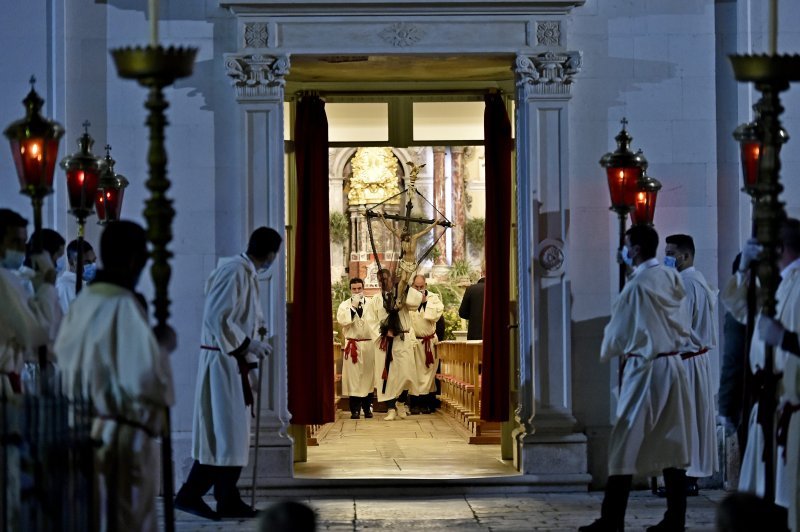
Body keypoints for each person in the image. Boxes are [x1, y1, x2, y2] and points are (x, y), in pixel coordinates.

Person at [54, 220, 175, 532]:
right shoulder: (123, 306)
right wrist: (162, 346)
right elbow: (147, 383)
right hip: (123, 438)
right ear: (136, 260)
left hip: (83, 432)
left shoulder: (83, 303)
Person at [580, 224, 693, 532]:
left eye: (626, 246)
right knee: (673, 442)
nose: (624, 251)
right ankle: (675, 519)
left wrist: (609, 349)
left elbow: (616, 334)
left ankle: (612, 519)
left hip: (645, 369)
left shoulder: (637, 286)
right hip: (673, 367)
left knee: (624, 441)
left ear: (636, 250)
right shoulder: (672, 277)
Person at [175, 226, 282, 520]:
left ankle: (227, 498)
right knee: (225, 434)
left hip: (232, 361)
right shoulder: (235, 271)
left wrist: (253, 347)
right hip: (222, 361)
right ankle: (191, 494)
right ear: (272, 253)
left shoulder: (244, 272)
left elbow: (243, 317)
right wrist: (248, 344)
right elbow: (215, 316)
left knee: (231, 435)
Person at [721, 219, 800, 532]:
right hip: (771, 402)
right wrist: (743, 268)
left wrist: (785, 339)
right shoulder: (781, 282)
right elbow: (739, 308)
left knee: (787, 497)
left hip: (788, 402)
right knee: (770, 494)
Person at [664, 234, 719, 495]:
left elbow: (679, 328)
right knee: (691, 418)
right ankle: (686, 477)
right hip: (695, 359)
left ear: (685, 256)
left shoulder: (686, 284)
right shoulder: (696, 281)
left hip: (686, 360)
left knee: (685, 421)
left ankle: (685, 477)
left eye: (671, 253)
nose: (668, 257)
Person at [0, 209, 60, 394]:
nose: (21, 250)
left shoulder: (8, 277)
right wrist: (47, 286)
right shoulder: (3, 279)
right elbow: (35, 332)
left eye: (23, 243)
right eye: (15, 242)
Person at [365, 268, 422, 421]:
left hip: (402, 339)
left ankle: (401, 402)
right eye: (380, 280)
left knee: (407, 374)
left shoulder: (402, 296)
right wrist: (383, 332)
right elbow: (370, 320)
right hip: (386, 341)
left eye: (386, 279)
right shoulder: (376, 300)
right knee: (387, 376)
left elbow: (416, 300)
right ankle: (390, 408)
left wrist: (405, 285)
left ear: (391, 279)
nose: (383, 282)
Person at [377, 212, 439, 309]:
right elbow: (390, 228)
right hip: (404, 262)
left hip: (411, 263)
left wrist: (435, 224)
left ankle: (402, 296)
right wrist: (382, 218)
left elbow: (426, 231)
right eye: (404, 238)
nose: (406, 239)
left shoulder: (414, 238)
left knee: (406, 281)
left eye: (407, 237)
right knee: (403, 279)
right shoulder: (401, 238)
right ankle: (398, 298)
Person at [336, 277, 375, 419]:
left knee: (368, 377)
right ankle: (355, 410)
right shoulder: (344, 305)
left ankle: (368, 408)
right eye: (354, 289)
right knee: (354, 378)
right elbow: (343, 320)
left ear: (363, 288)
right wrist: (353, 307)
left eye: (359, 288)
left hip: (368, 344)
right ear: (350, 290)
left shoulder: (371, 304)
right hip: (353, 344)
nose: (357, 291)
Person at [408, 274, 444, 415]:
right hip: (413, 342)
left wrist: (423, 303)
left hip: (428, 342)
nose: (418, 289)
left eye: (421, 287)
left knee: (429, 374)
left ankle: (426, 404)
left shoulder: (433, 298)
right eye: (416, 287)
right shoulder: (407, 299)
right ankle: (414, 405)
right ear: (412, 286)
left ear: (426, 285)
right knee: (414, 374)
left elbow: (434, 316)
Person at [17, 229, 65, 297]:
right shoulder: (25, 281)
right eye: (58, 256)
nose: (57, 263)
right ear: (45, 254)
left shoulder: (43, 278)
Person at [56, 239, 97, 312]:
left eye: (94, 261)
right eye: (86, 262)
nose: (92, 265)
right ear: (71, 263)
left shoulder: (85, 284)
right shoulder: (65, 287)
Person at [458, 264, 485, 340]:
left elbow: (462, 313)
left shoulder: (471, 289)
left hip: (475, 335)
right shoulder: (498, 289)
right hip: (494, 336)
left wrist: (475, 316)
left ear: (481, 273)